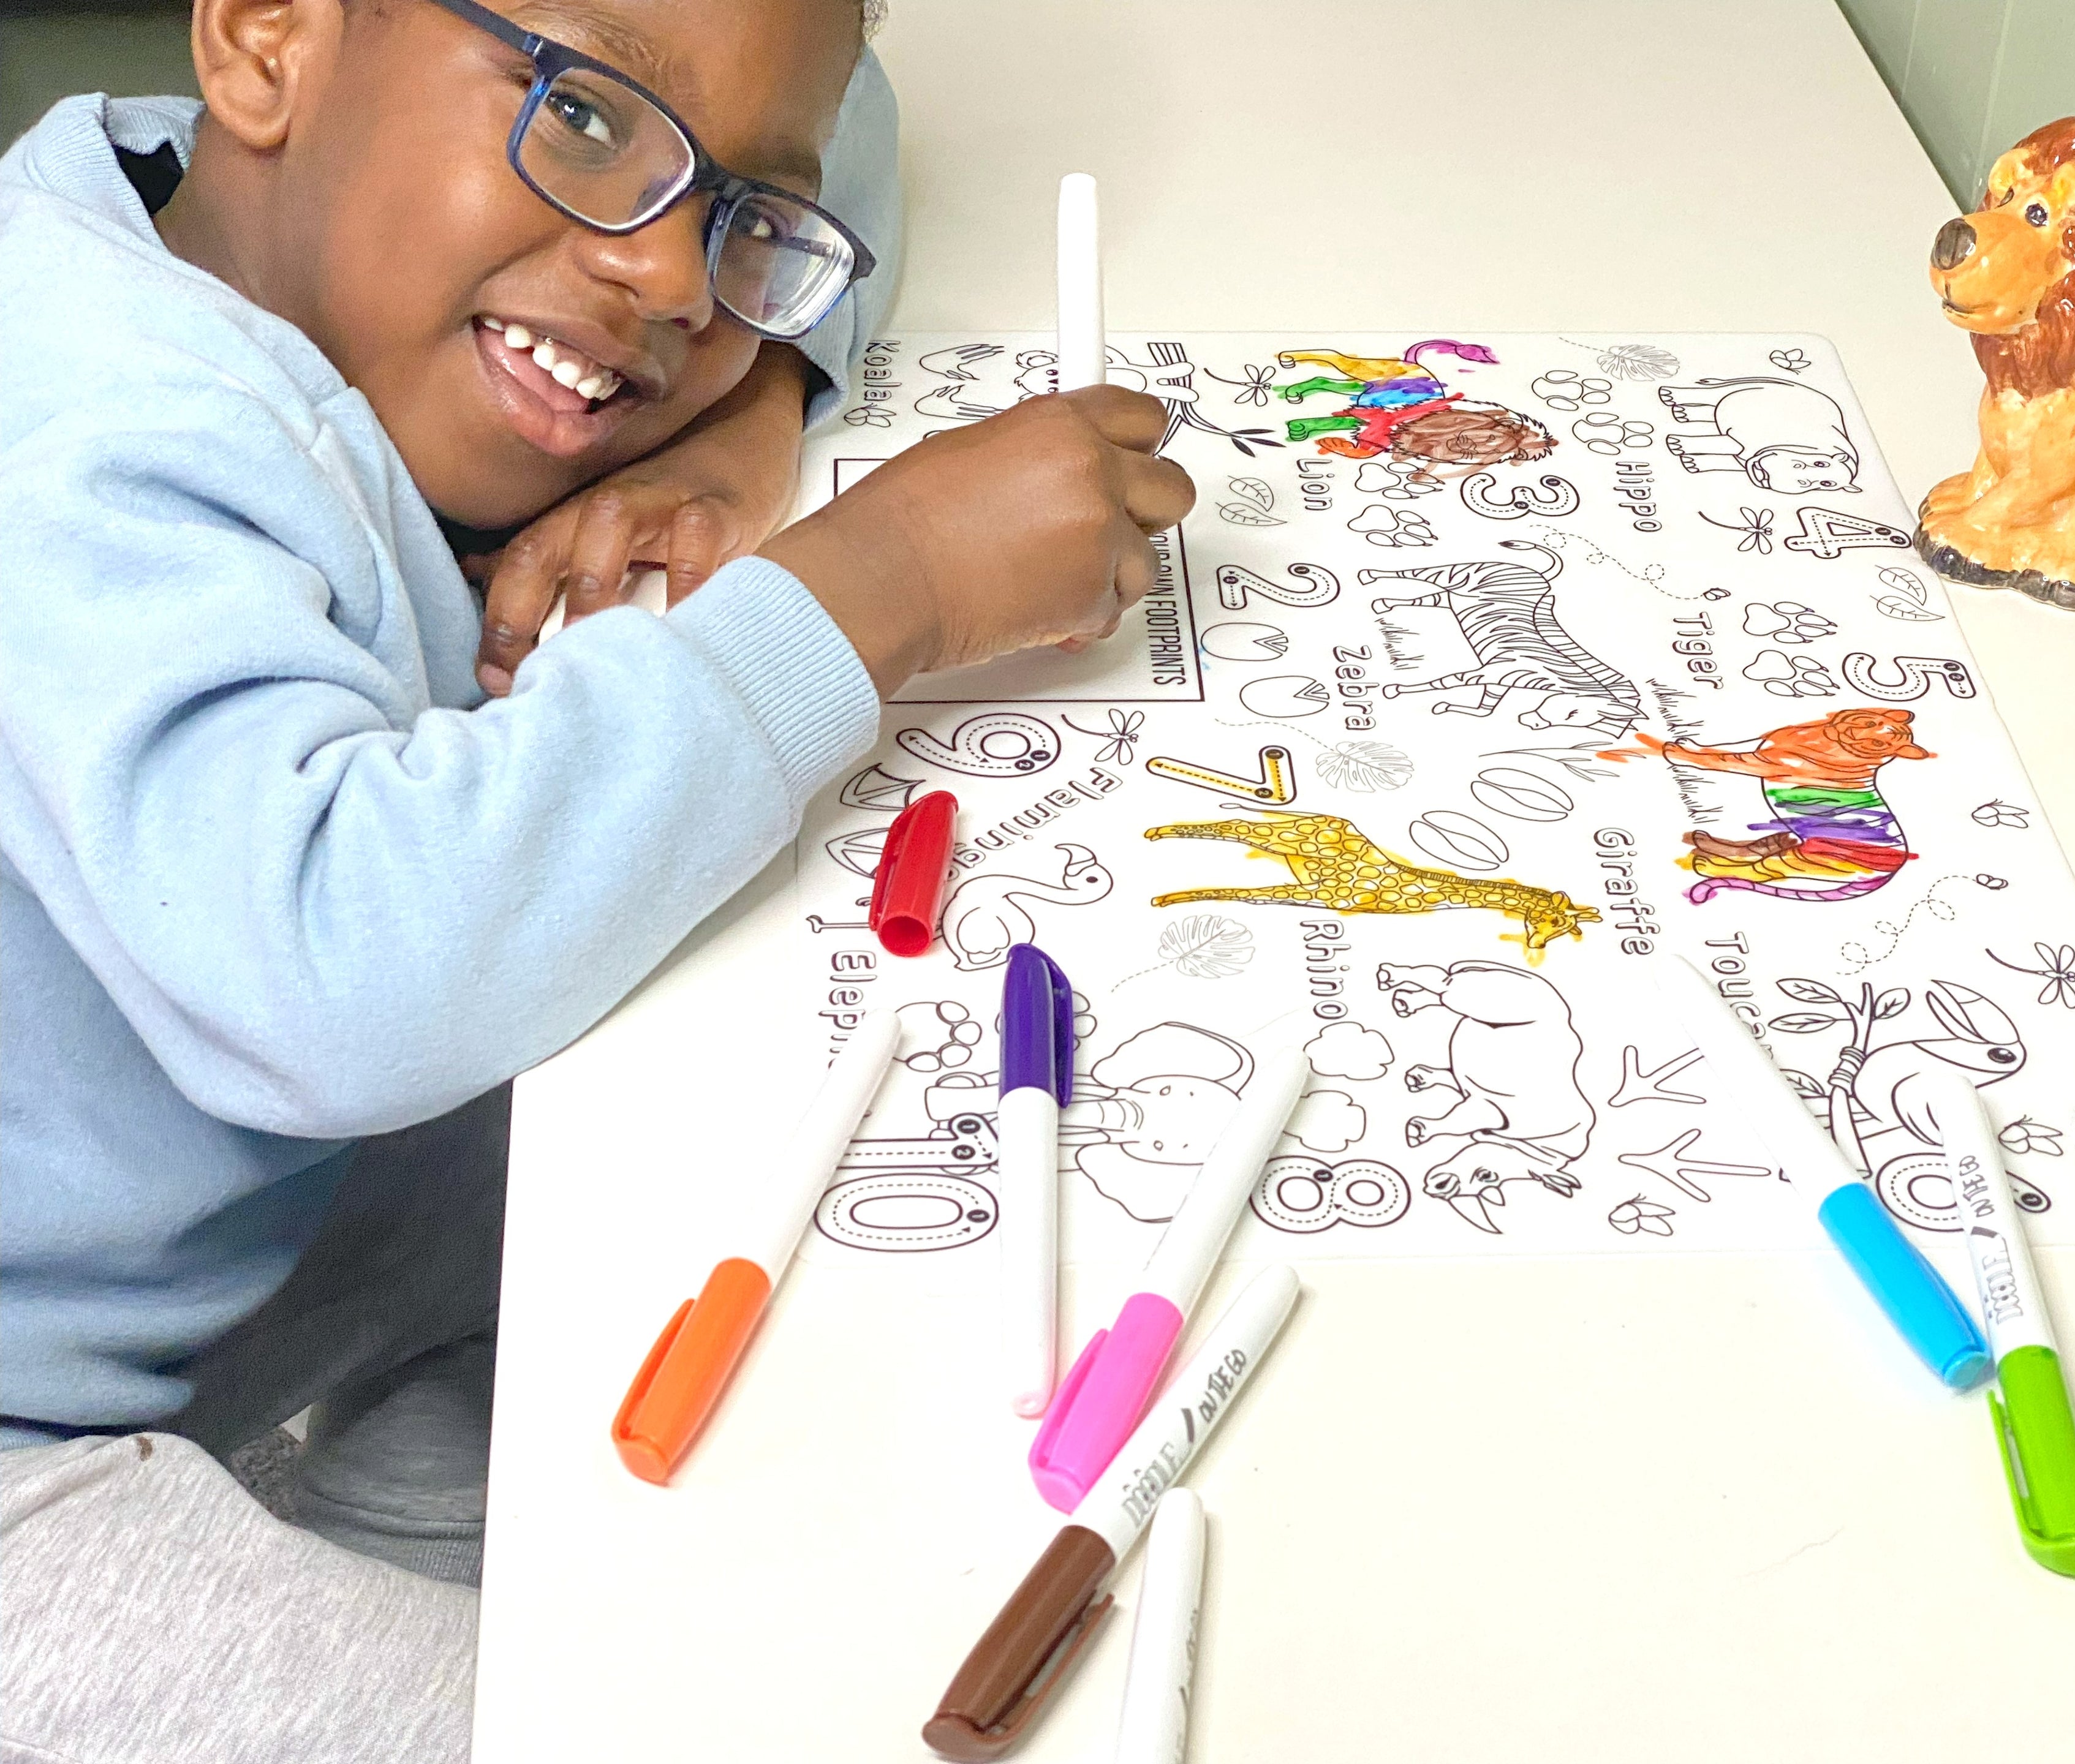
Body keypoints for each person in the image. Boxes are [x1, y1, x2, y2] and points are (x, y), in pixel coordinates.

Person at [0, 0, 1195, 1758]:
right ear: (267, 38)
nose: (666, 283)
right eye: (582, 121)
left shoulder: (242, 201)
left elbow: (834, 129)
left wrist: (749, 413)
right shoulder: (85, 426)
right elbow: (344, 968)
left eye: (734, 224)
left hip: (291, 1237)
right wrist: (885, 583)